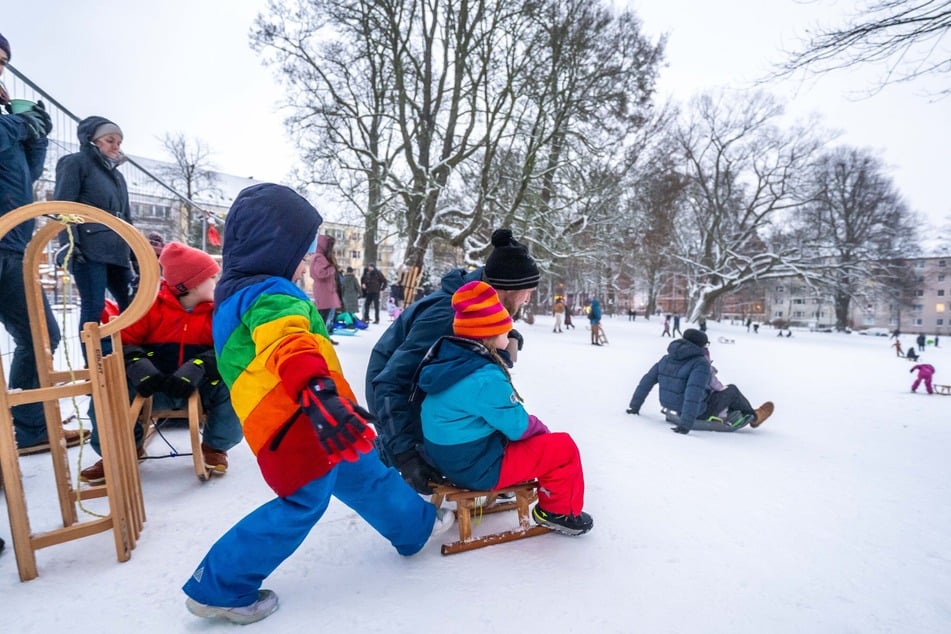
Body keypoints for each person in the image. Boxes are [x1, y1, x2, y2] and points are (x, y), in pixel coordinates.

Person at [181, 184, 453, 625]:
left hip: (320, 416)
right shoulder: (271, 293)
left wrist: (324, 398)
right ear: (275, 244)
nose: (307, 259)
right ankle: (222, 586)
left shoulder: (234, 295)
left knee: (365, 470)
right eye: (302, 247)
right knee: (302, 502)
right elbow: (286, 341)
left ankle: (415, 528)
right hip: (297, 420)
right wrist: (316, 390)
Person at [365, 227, 540, 493]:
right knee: (432, 451)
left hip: (417, 389)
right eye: (526, 291)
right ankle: (383, 460)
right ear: (506, 288)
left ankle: (484, 463)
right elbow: (391, 382)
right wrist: (405, 454)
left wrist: (505, 341)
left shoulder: (479, 308)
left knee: (485, 397)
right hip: (394, 393)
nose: (528, 299)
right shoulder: (448, 316)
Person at [417, 281, 593, 535]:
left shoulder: (449, 358)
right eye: (505, 330)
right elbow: (518, 426)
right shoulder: (484, 377)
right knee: (562, 448)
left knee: (529, 441)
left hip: (447, 458)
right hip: (475, 467)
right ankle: (557, 512)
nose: (509, 335)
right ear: (489, 334)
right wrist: (542, 431)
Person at [78, 242, 242, 482]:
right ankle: (120, 450)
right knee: (108, 391)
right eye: (213, 277)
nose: (218, 283)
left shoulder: (218, 313)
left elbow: (230, 350)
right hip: (152, 385)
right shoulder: (149, 308)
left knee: (233, 384)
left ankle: (215, 447)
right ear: (193, 284)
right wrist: (137, 364)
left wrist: (202, 364)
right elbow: (122, 342)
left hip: (200, 385)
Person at [0, 33, 76, 453]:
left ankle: (29, 432)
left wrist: (37, 135)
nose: (0, 69)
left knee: (41, 334)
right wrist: (14, 123)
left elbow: (26, 176)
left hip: (11, 248)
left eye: (4, 62)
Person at [54, 115, 133, 358]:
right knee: (94, 306)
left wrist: (135, 254)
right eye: (110, 140)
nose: (116, 146)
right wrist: (69, 243)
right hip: (89, 246)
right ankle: (94, 364)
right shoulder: (76, 163)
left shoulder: (117, 176)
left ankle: (128, 357)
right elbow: (63, 205)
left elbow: (126, 217)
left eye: (119, 142)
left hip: (117, 248)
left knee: (131, 304)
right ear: (93, 141)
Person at [626, 329, 774, 434]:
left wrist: (634, 407)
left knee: (718, 392)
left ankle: (735, 411)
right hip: (695, 412)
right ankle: (755, 416)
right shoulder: (700, 363)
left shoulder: (666, 359)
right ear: (701, 345)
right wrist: (685, 425)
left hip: (670, 405)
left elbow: (646, 382)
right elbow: (693, 393)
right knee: (732, 390)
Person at [309, 234, 341, 335]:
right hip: (324, 293)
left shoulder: (320, 256)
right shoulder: (319, 257)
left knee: (326, 317)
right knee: (322, 318)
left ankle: (324, 336)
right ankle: (320, 338)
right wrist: (332, 269)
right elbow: (320, 273)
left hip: (326, 292)